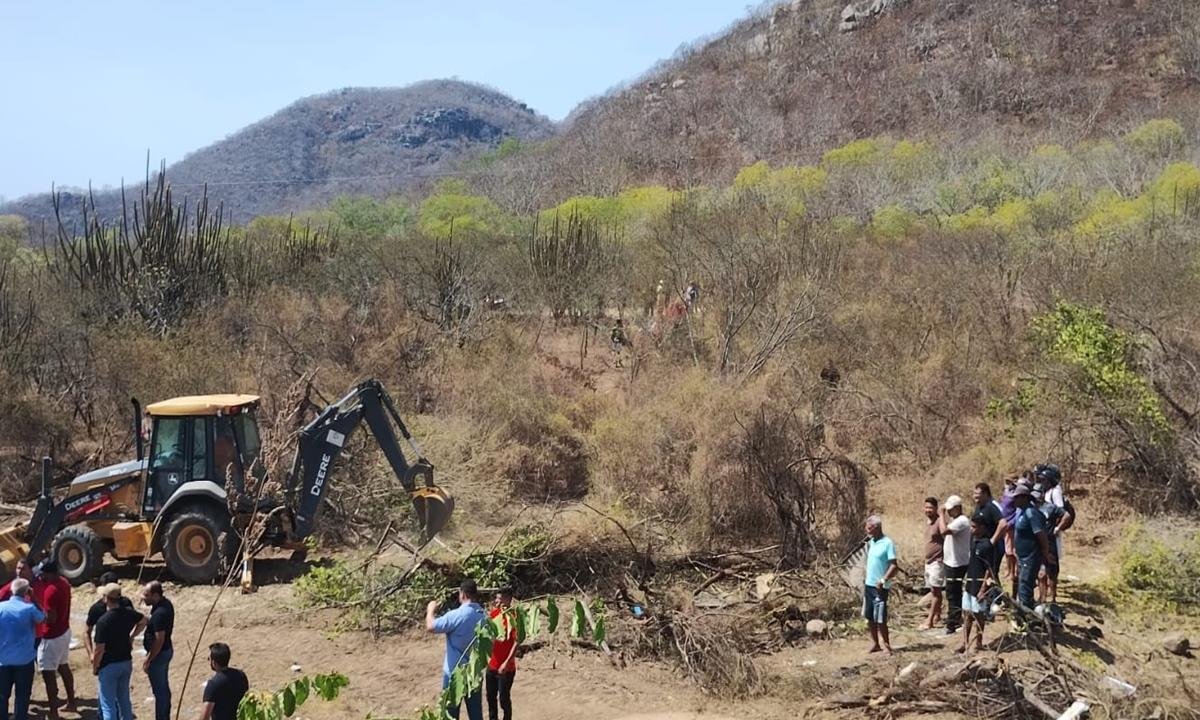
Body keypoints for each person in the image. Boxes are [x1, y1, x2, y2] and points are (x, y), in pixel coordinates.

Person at [426, 579, 487, 720]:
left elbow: (431, 626)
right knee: (476, 714)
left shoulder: (455, 615)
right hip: (474, 673)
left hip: (454, 674)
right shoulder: (483, 615)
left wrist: (431, 609)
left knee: (450, 714)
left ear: (463, 594)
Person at [92, 583, 146, 720]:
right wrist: (132, 636)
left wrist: (95, 666)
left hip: (109, 665)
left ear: (105, 598)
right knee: (124, 700)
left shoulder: (103, 621)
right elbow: (144, 620)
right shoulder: (128, 613)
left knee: (108, 704)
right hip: (126, 662)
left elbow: (99, 649)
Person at [33, 561, 75, 719]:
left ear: (50, 573)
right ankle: (71, 702)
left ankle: (53, 712)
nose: (40, 576)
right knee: (64, 666)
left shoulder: (50, 590)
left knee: (48, 674)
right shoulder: (64, 582)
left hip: (51, 637)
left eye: (42, 573)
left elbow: (50, 618)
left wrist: (36, 614)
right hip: (64, 631)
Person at [0, 579, 44, 720]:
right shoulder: (29, 608)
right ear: (27, 592)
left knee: (2, 695)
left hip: (3, 659)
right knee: (22, 695)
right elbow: (43, 618)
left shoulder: (1, 607)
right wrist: (35, 599)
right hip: (24, 660)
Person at [1011, 486, 1055, 619]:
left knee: (1025, 587)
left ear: (1024, 498)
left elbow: (1041, 536)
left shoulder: (1031, 513)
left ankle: (1026, 620)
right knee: (1022, 586)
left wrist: (1046, 554)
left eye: (1017, 498)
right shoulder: (1022, 512)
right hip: (1022, 557)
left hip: (1030, 557)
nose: (1014, 500)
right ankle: (1025, 615)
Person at [958, 514, 996, 655]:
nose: (972, 529)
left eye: (974, 527)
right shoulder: (973, 541)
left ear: (982, 527)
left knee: (978, 615)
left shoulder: (987, 546)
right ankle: (965, 642)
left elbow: (989, 570)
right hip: (969, 584)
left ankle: (978, 642)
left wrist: (983, 589)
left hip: (979, 586)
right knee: (966, 614)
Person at [862, 516, 897, 656]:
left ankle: (887, 645)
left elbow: (894, 566)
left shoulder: (887, 543)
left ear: (877, 528)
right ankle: (875, 643)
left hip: (880, 587)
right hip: (869, 585)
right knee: (870, 616)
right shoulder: (871, 542)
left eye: (869, 528)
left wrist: (883, 580)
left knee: (880, 617)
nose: (867, 530)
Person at [1033, 484, 1073, 604]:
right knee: (1040, 574)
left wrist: (1058, 528)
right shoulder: (1032, 509)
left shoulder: (1051, 507)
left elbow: (1066, 515)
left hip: (1050, 543)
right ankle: (1042, 598)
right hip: (1037, 544)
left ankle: (1053, 598)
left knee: (1052, 572)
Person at [141, 581, 174, 720]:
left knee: (160, 692)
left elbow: (159, 639)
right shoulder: (164, 604)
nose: (143, 597)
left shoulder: (160, 613)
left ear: (155, 595)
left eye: (146, 595)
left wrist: (149, 659)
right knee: (163, 689)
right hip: (165, 651)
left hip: (159, 655)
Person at [486, 587, 517, 720]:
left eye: (500, 598)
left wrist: (506, 662)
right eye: (497, 598)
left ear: (508, 599)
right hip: (491, 665)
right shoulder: (494, 614)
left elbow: (517, 642)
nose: (497, 601)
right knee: (490, 698)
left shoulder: (514, 616)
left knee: (504, 699)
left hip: (506, 668)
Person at [941, 495, 971, 635]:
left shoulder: (962, 521)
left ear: (958, 508)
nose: (948, 512)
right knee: (953, 592)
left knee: (953, 593)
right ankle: (955, 618)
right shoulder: (955, 520)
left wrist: (941, 515)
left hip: (957, 563)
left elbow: (943, 531)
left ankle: (953, 622)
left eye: (950, 510)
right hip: (950, 561)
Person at [84, 573, 132, 659]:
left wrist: (91, 654)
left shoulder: (97, 608)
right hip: (119, 655)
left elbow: (87, 632)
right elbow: (86, 632)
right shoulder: (126, 603)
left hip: (116, 655)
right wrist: (91, 654)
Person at [200, 642, 248, 720]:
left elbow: (205, 716)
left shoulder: (213, 684)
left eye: (209, 659)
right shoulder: (241, 675)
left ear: (213, 662)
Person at [971, 483, 1007, 578]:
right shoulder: (979, 507)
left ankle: (997, 593)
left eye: (977, 494)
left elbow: (1003, 523)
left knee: (991, 574)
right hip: (981, 545)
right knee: (983, 574)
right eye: (974, 493)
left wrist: (993, 540)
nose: (975, 496)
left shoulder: (991, 507)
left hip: (992, 548)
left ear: (985, 494)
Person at [920, 497, 945, 631]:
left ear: (936, 508)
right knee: (934, 590)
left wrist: (942, 516)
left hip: (937, 561)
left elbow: (945, 536)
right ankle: (937, 615)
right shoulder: (927, 522)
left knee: (936, 591)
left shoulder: (939, 522)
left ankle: (929, 620)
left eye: (931, 507)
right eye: (926, 507)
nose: (928, 510)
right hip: (928, 562)